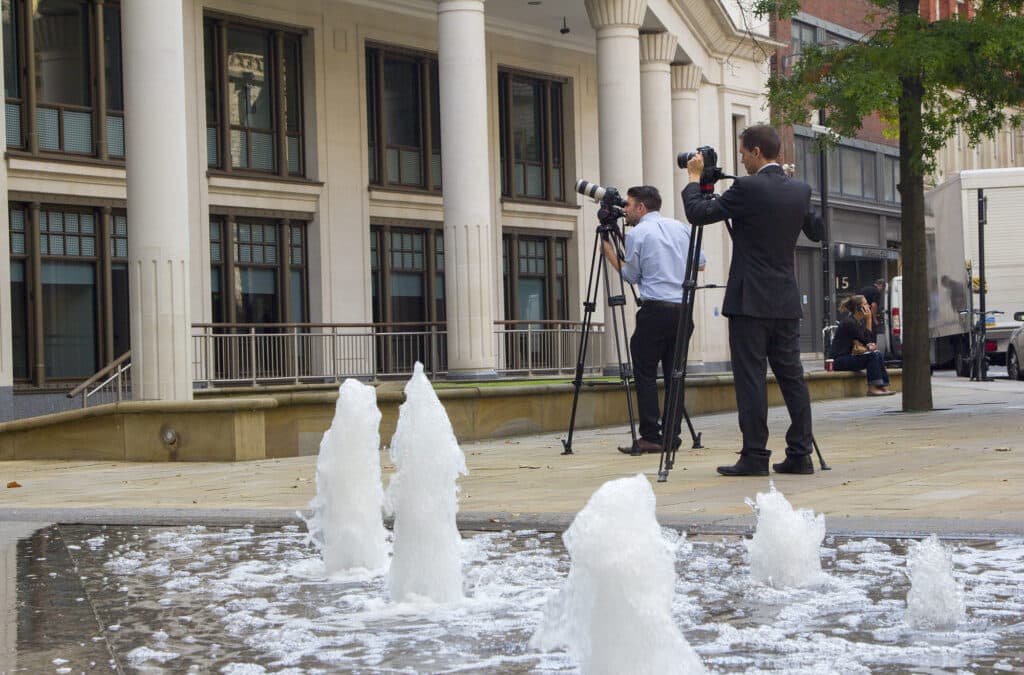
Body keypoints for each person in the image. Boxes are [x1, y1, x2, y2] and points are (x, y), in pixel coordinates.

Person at [682, 124, 824, 477]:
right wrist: (798, 197)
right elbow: (817, 231)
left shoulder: (747, 187)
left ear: (757, 152)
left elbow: (699, 213)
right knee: (793, 376)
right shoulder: (800, 189)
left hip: (749, 300)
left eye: (744, 152)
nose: (741, 159)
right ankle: (800, 453)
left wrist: (695, 178)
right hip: (786, 299)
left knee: (751, 379)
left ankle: (755, 455)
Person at [602, 185, 706, 454]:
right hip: (683, 310)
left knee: (645, 373)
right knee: (675, 374)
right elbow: (701, 262)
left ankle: (650, 435)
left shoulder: (638, 234)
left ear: (641, 208)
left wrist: (610, 255)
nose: (624, 210)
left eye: (628, 205)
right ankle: (672, 435)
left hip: (655, 311)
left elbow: (632, 277)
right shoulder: (680, 227)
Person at [832, 294, 894, 396]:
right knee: (873, 356)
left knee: (877, 354)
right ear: (858, 308)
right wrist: (869, 320)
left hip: (849, 357)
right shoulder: (850, 323)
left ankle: (881, 386)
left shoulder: (857, 322)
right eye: (865, 304)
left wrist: (869, 345)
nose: (868, 306)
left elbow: (867, 342)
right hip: (839, 361)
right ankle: (872, 388)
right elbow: (867, 341)